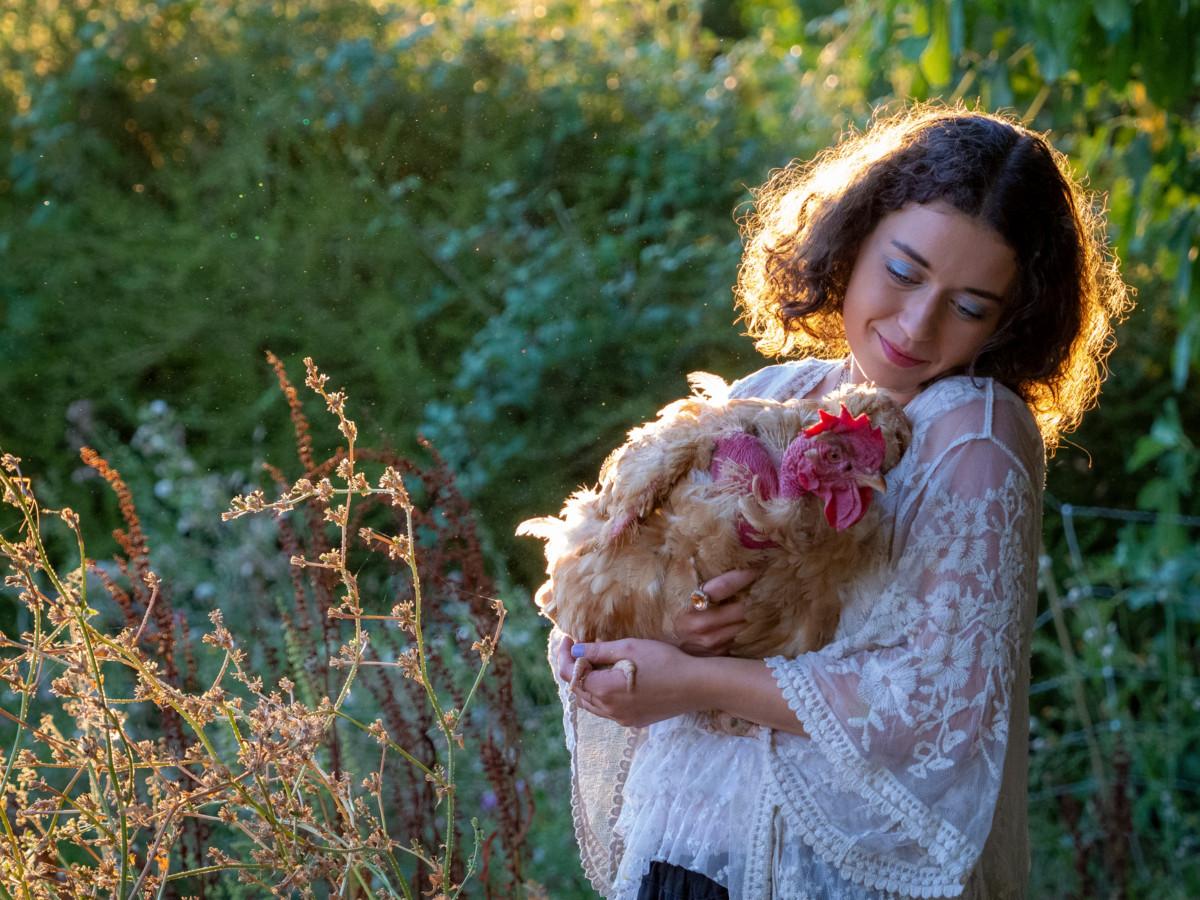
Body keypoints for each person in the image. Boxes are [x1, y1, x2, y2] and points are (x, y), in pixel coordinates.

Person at [546, 105, 1131, 898]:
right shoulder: (772, 393)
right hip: (689, 848)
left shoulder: (974, 432)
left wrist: (694, 682)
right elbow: (601, 580)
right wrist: (668, 624)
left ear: (1013, 320)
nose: (917, 325)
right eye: (903, 271)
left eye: (968, 307)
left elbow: (938, 706)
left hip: (817, 874)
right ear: (855, 238)